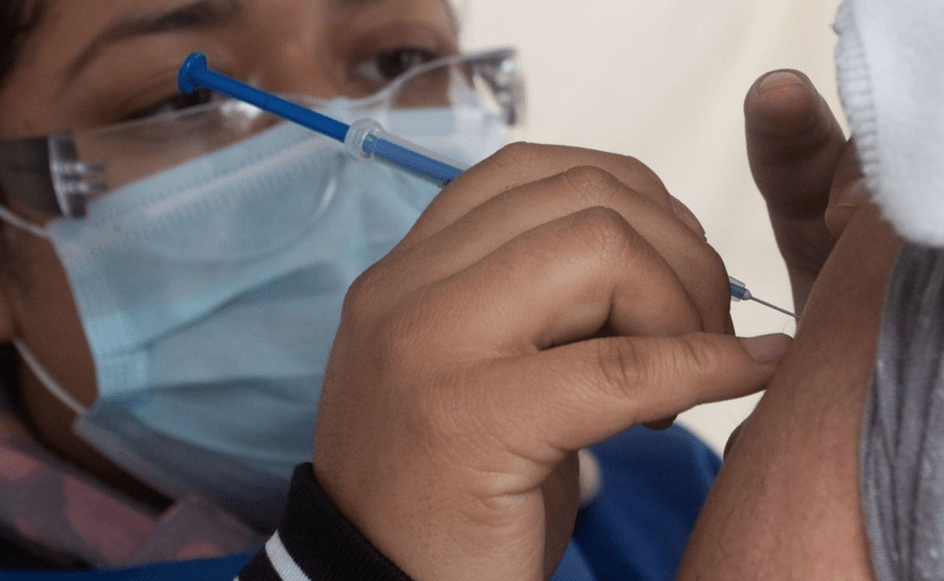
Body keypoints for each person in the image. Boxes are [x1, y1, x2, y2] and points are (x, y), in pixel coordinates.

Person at [0, 0, 785, 578]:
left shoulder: (665, 484)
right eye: (188, 99)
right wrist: (352, 563)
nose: (338, 148)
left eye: (397, 58)